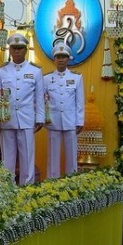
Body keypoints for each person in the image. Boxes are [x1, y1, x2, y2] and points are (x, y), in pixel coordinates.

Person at [0, 33, 44, 184]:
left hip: (26, 119)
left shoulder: (35, 71)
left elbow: (39, 97)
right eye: (14, 48)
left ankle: (27, 187)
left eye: (20, 48)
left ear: (26, 50)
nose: (17, 51)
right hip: (6, 119)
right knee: (7, 157)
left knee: (27, 156)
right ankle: (7, 187)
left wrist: (40, 117)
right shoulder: (2, 71)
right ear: (9, 50)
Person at [44, 43, 84, 179]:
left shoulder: (76, 78)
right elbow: (41, 100)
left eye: (64, 57)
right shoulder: (46, 79)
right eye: (58, 57)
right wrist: (43, 117)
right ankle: (52, 183)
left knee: (71, 156)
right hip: (53, 122)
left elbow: (79, 102)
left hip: (70, 122)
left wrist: (79, 121)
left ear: (68, 59)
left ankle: (71, 182)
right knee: (52, 156)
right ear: (54, 59)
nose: (61, 59)